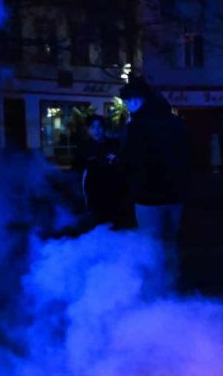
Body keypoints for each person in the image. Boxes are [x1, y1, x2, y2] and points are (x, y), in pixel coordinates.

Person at [119, 79, 190, 265]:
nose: (127, 106)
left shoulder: (136, 127)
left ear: (136, 99)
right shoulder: (175, 122)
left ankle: (156, 289)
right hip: (175, 196)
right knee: (170, 244)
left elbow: (128, 161)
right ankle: (172, 286)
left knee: (151, 247)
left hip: (148, 197)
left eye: (127, 102)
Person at [75, 115, 126, 227]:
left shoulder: (114, 144)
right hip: (94, 193)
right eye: (93, 127)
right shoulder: (83, 147)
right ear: (88, 129)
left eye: (99, 127)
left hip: (115, 193)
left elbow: (124, 165)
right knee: (98, 226)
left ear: (104, 128)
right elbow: (76, 171)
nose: (96, 130)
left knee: (116, 228)